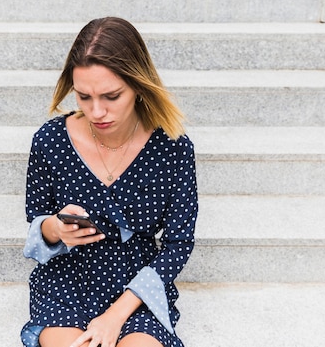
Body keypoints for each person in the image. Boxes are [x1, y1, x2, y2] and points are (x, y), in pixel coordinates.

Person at [20, 17, 198, 347]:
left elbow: (178, 244)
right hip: (67, 279)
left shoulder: (172, 147)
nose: (96, 111)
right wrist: (57, 229)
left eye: (111, 96)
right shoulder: (50, 141)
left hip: (137, 287)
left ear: (138, 86)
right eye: (83, 97)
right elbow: (37, 220)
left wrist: (116, 316)